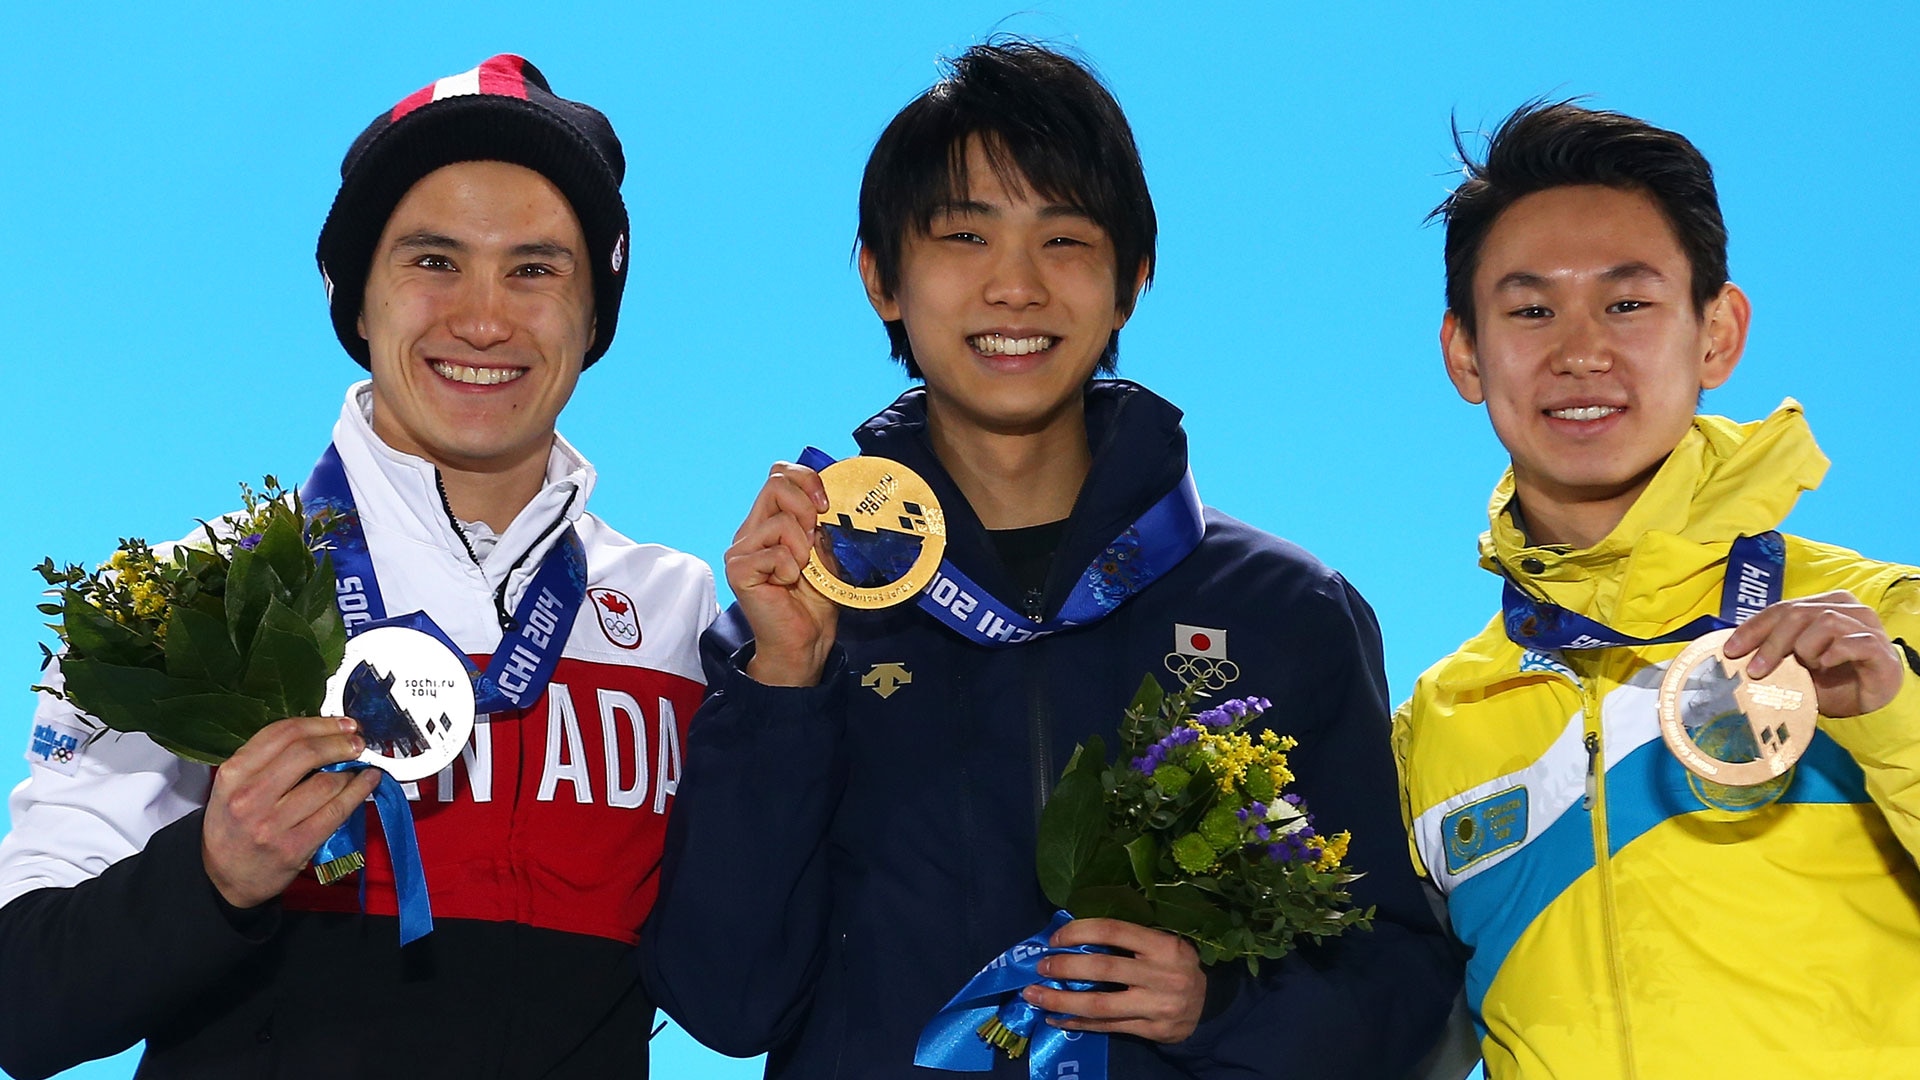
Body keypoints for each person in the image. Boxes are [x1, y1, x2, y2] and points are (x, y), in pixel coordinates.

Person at [643, 39, 1459, 1079]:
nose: (1015, 287)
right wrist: (787, 687)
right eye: (963, 237)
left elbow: (1402, 990)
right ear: (881, 278)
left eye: (1064, 238)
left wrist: (1218, 1008)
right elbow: (725, 1002)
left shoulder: (1284, 610)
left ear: (1132, 279)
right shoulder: (798, 618)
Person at [0, 54, 715, 1079]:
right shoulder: (184, 606)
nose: (483, 318)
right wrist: (211, 876)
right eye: (433, 261)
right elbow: (23, 1008)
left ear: (594, 309)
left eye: (535, 268)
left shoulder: (682, 615)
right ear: (352, 293)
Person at [1393, 100, 1920, 1077]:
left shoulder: (1885, 623)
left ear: (1718, 333)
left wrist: (1894, 719)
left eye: (1628, 304)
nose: (1581, 351)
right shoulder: (1434, 726)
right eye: (1530, 309)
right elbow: (1389, 1036)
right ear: (1466, 353)